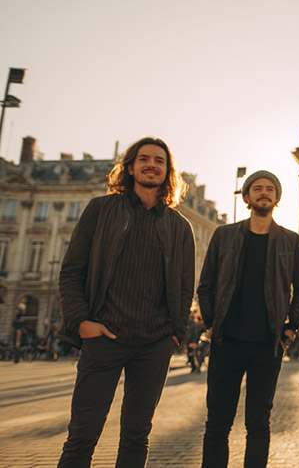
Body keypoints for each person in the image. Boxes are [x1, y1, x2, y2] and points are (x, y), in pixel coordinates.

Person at [57, 137, 195, 467]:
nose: (152, 164)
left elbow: (184, 287)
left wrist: (174, 333)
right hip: (104, 337)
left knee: (136, 437)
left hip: (154, 344)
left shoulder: (180, 226)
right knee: (82, 435)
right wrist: (82, 322)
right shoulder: (100, 210)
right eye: (144, 159)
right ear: (130, 167)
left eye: (159, 161)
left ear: (168, 171)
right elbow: (71, 271)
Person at [197, 170, 299, 467]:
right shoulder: (224, 235)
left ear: (277, 198)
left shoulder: (291, 241)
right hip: (227, 342)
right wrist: (210, 323)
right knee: (217, 423)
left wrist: (290, 328)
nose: (264, 192)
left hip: (267, 346)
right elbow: (205, 285)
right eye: (257, 188)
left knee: (258, 424)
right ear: (246, 197)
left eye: (270, 188)